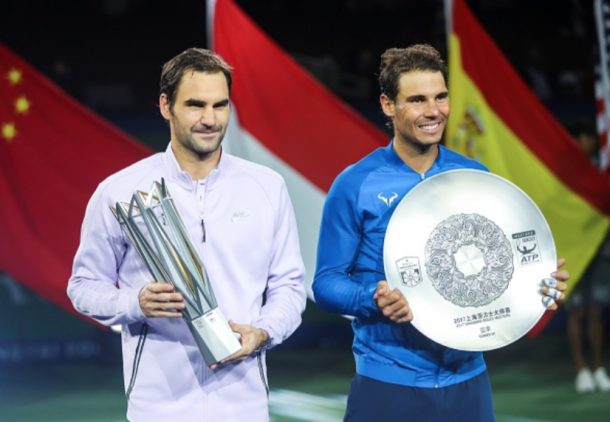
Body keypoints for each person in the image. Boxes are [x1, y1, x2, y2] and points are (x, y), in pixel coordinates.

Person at [312, 44, 569, 422]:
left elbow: (498, 262)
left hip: (468, 382)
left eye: (440, 97)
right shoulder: (355, 185)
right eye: (417, 100)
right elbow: (326, 283)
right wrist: (374, 297)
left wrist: (538, 289)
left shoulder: (475, 177)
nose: (433, 111)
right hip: (388, 384)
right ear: (387, 105)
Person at [67, 48, 306, 422]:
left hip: (244, 406)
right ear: (166, 106)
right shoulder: (120, 192)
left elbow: (289, 287)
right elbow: (83, 286)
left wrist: (262, 332)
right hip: (158, 407)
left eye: (220, 105)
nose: (210, 119)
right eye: (195, 105)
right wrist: (135, 302)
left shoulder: (266, 187)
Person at [565, 121, 610, 393]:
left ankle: (598, 368)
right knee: (576, 312)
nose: (588, 142)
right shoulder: (562, 174)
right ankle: (580, 370)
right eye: (583, 137)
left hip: (600, 250)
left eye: (591, 137)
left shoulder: (602, 169)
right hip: (573, 250)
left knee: (595, 311)